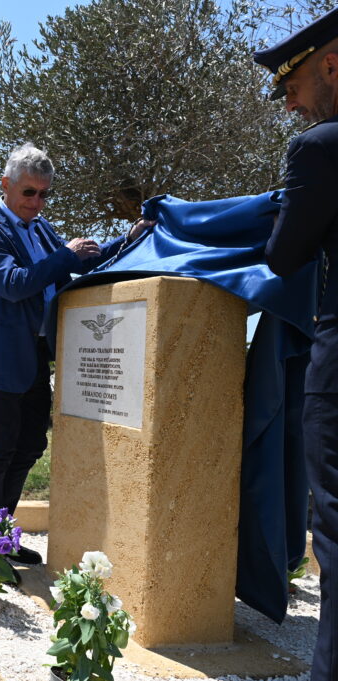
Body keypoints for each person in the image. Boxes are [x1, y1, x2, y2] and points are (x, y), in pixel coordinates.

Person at [0, 142, 149, 564]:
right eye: (29, 192)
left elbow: (83, 263)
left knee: (29, 446)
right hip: (0, 363)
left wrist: (128, 239)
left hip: (36, 359)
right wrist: (65, 255)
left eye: (44, 194)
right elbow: (14, 285)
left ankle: (1, 537)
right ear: (6, 185)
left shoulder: (42, 229)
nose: (37, 202)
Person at [254, 10, 338, 680]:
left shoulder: (318, 149)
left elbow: (284, 255)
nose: (290, 104)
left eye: (293, 86)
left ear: (332, 66)